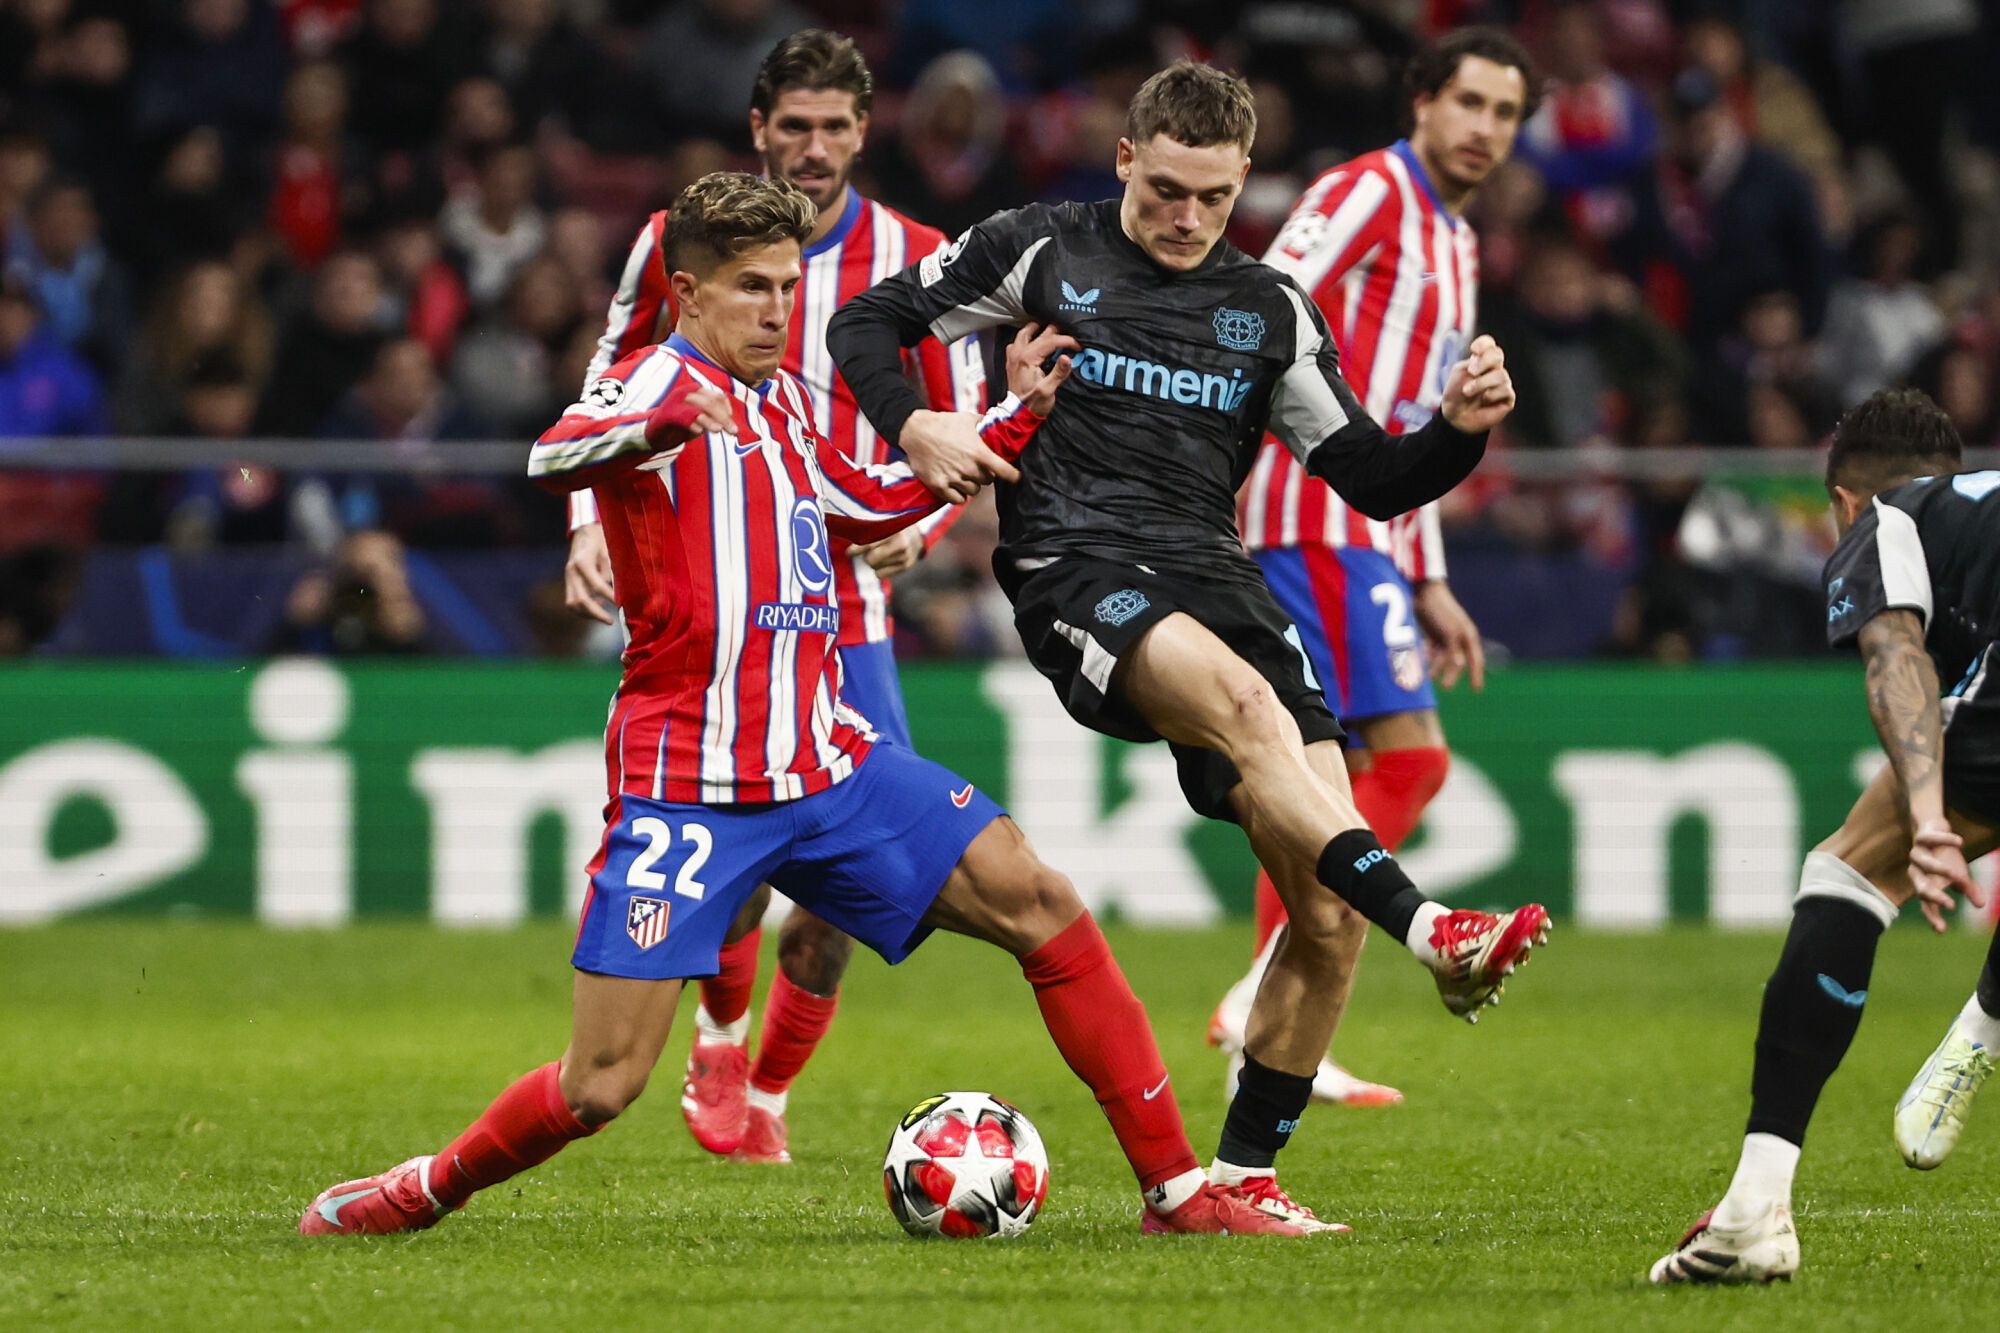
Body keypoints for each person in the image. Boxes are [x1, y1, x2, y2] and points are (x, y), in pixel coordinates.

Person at [297, 171, 1300, 1239]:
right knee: (600, 1085)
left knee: (1040, 902)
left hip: (828, 765)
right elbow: (552, 452)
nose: (777, 310)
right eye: (749, 289)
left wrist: (1011, 416)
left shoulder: (776, 401)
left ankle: (1179, 1195)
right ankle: (423, 1187)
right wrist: (652, 428)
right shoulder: (652, 384)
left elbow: (864, 505)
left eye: (786, 286)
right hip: (693, 789)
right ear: (686, 293)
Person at [829, 59, 1548, 1231]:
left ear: (1241, 184)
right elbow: (870, 318)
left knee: (1320, 911)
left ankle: (1235, 1181)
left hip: (1223, 583)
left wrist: (1455, 436)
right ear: (1124, 159)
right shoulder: (1038, 249)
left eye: (1211, 198)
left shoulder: (1268, 311)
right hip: (1079, 569)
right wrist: (913, 421)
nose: (1184, 217)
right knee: (1253, 718)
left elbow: (1366, 477)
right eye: (1164, 189)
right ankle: (1433, 924)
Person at [564, 30, 984, 1167]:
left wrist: (929, 528)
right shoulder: (678, 240)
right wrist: (584, 528)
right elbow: (610, 382)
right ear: (758, 130)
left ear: (862, 131)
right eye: (790, 126)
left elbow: (958, 407)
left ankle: (771, 1092)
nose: (811, 147)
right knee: (736, 856)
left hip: (850, 594)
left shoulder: (915, 255)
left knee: (850, 893)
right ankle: (717, 1034)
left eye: (833, 127)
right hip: (718, 590)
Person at [1217, 28, 1538, 1108]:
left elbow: (1421, 415)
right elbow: (1261, 300)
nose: (1485, 128)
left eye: (1504, 112)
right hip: (1306, 508)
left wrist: (1429, 571)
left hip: (1371, 530)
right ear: (1421, 100)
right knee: (1368, 764)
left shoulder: (1454, 239)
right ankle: (1268, 987)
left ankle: (1269, 990)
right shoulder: (1368, 190)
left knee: (1375, 766)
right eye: (1471, 103)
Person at [1650, 388, 2000, 1284]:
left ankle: (1753, 1213)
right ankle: (1982, 1024)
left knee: (1847, 870)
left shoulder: (1886, 516)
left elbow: (1893, 652)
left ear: (1844, 497)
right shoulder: (1977, 507)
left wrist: (1925, 818)